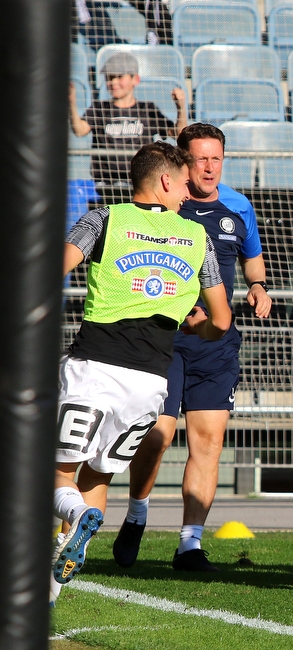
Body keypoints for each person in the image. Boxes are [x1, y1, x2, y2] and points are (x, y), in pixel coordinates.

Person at [52, 141, 231, 604]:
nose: (189, 191)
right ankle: (53, 589)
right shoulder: (198, 239)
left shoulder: (104, 219)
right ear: (166, 180)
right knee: (96, 476)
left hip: (94, 365)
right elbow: (223, 321)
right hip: (152, 381)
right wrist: (201, 327)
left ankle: (71, 517)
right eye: (184, 183)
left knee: (56, 473)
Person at [106, 123, 272, 572]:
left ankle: (189, 545)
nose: (209, 167)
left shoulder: (238, 207)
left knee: (209, 441)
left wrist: (259, 288)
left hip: (216, 342)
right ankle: (137, 513)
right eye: (200, 159)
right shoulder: (163, 207)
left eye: (216, 158)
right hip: (164, 338)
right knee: (158, 435)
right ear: (181, 163)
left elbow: (252, 264)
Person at [69, 52, 187, 187]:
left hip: (140, 182)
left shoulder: (147, 109)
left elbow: (178, 134)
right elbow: (79, 130)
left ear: (135, 79)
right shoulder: (100, 108)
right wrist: (71, 102)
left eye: (119, 77)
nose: (113, 82)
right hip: (105, 183)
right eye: (109, 78)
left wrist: (181, 107)